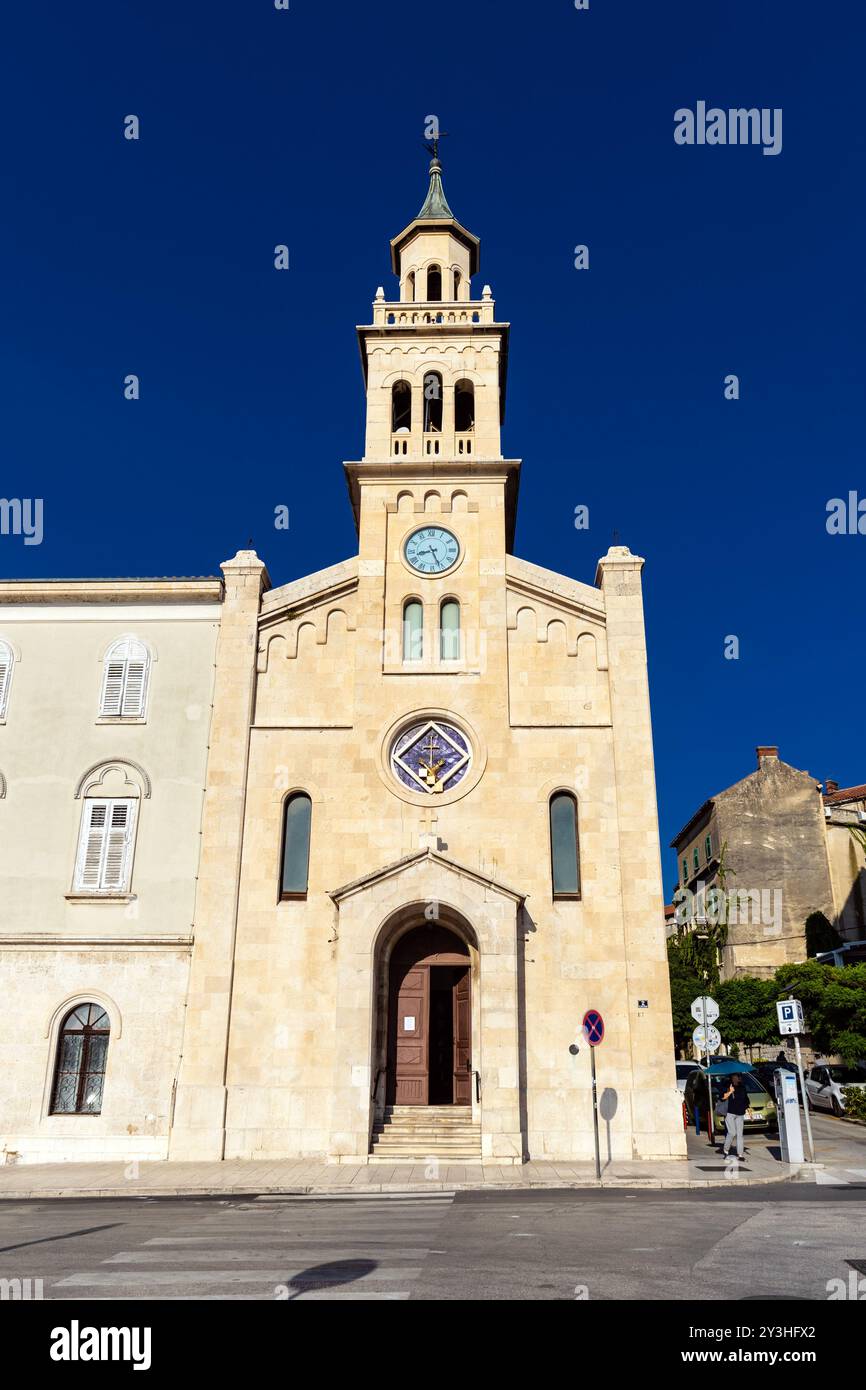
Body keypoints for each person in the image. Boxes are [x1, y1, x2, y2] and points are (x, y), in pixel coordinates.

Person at [722, 1073, 748, 1160]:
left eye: (739, 1077)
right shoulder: (727, 1086)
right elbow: (722, 1097)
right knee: (732, 1132)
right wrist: (730, 1091)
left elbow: (746, 1099)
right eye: (737, 1077)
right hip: (730, 1113)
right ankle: (726, 1150)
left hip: (740, 1113)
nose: (739, 1078)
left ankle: (740, 1154)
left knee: (740, 1135)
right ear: (733, 1078)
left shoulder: (742, 1087)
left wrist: (748, 1109)